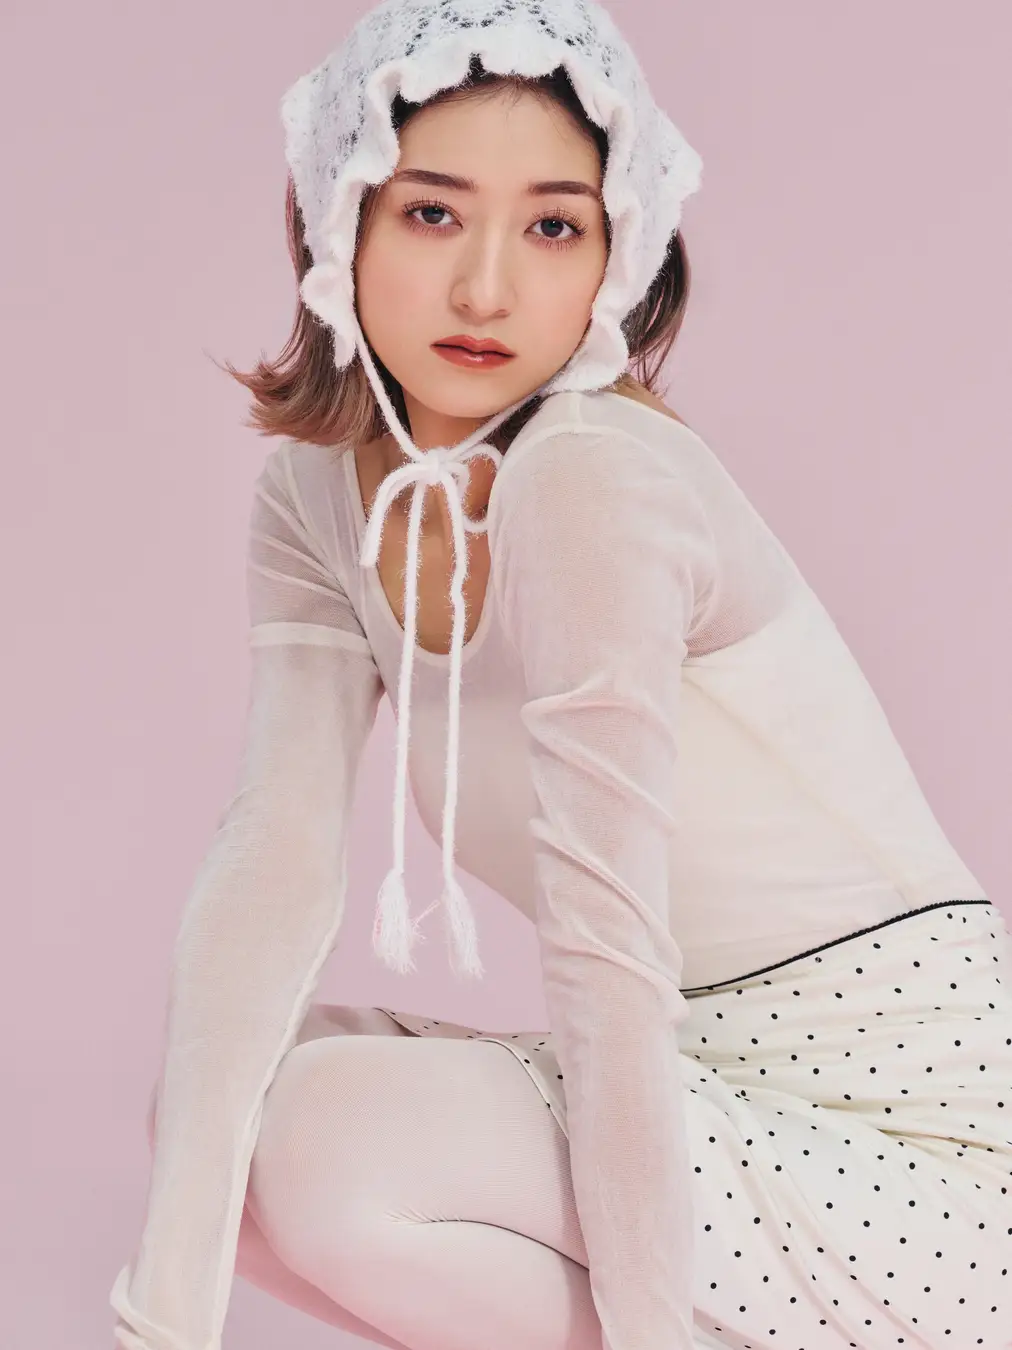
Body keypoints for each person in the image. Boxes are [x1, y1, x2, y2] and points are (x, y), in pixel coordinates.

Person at [109, 4, 1012, 1350]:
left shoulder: (592, 476)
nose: (486, 290)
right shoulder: (314, 495)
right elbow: (273, 852)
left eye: (552, 227)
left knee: (324, 1132)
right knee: (216, 1108)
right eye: (431, 214)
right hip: (698, 1085)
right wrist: (161, 1316)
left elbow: (607, 943)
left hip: (920, 1142)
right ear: (338, 218)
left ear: (617, 252)